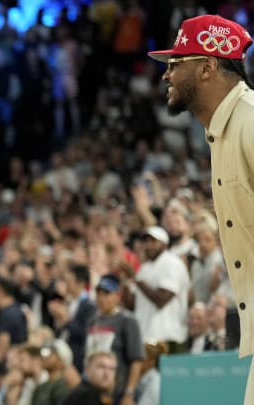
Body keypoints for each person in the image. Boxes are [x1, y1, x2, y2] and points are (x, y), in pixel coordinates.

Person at [149, 14, 254, 401]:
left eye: (177, 64)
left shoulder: (251, 123)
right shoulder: (225, 130)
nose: (166, 76)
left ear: (208, 66)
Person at [87, 274, 143, 405]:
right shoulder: (93, 321)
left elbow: (136, 360)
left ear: (117, 295)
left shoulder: (127, 321)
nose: (101, 299)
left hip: (117, 391)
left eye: (106, 294)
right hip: (94, 390)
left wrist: (129, 393)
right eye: (99, 294)